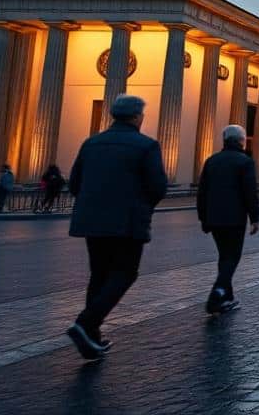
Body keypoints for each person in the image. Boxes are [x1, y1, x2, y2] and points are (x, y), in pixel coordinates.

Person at [65, 94, 167, 361]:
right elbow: (158, 187)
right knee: (125, 272)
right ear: (137, 117)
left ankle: (92, 337)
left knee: (98, 275)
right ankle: (86, 323)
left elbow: (74, 183)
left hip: (92, 221)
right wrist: (143, 206)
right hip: (127, 221)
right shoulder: (146, 146)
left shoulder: (91, 143)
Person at [196, 125, 259, 314]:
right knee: (232, 257)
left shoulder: (212, 161)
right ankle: (218, 293)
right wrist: (255, 218)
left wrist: (203, 217)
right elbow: (250, 192)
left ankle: (228, 297)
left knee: (224, 256)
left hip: (214, 218)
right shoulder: (245, 162)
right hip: (234, 219)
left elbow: (202, 192)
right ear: (241, 141)